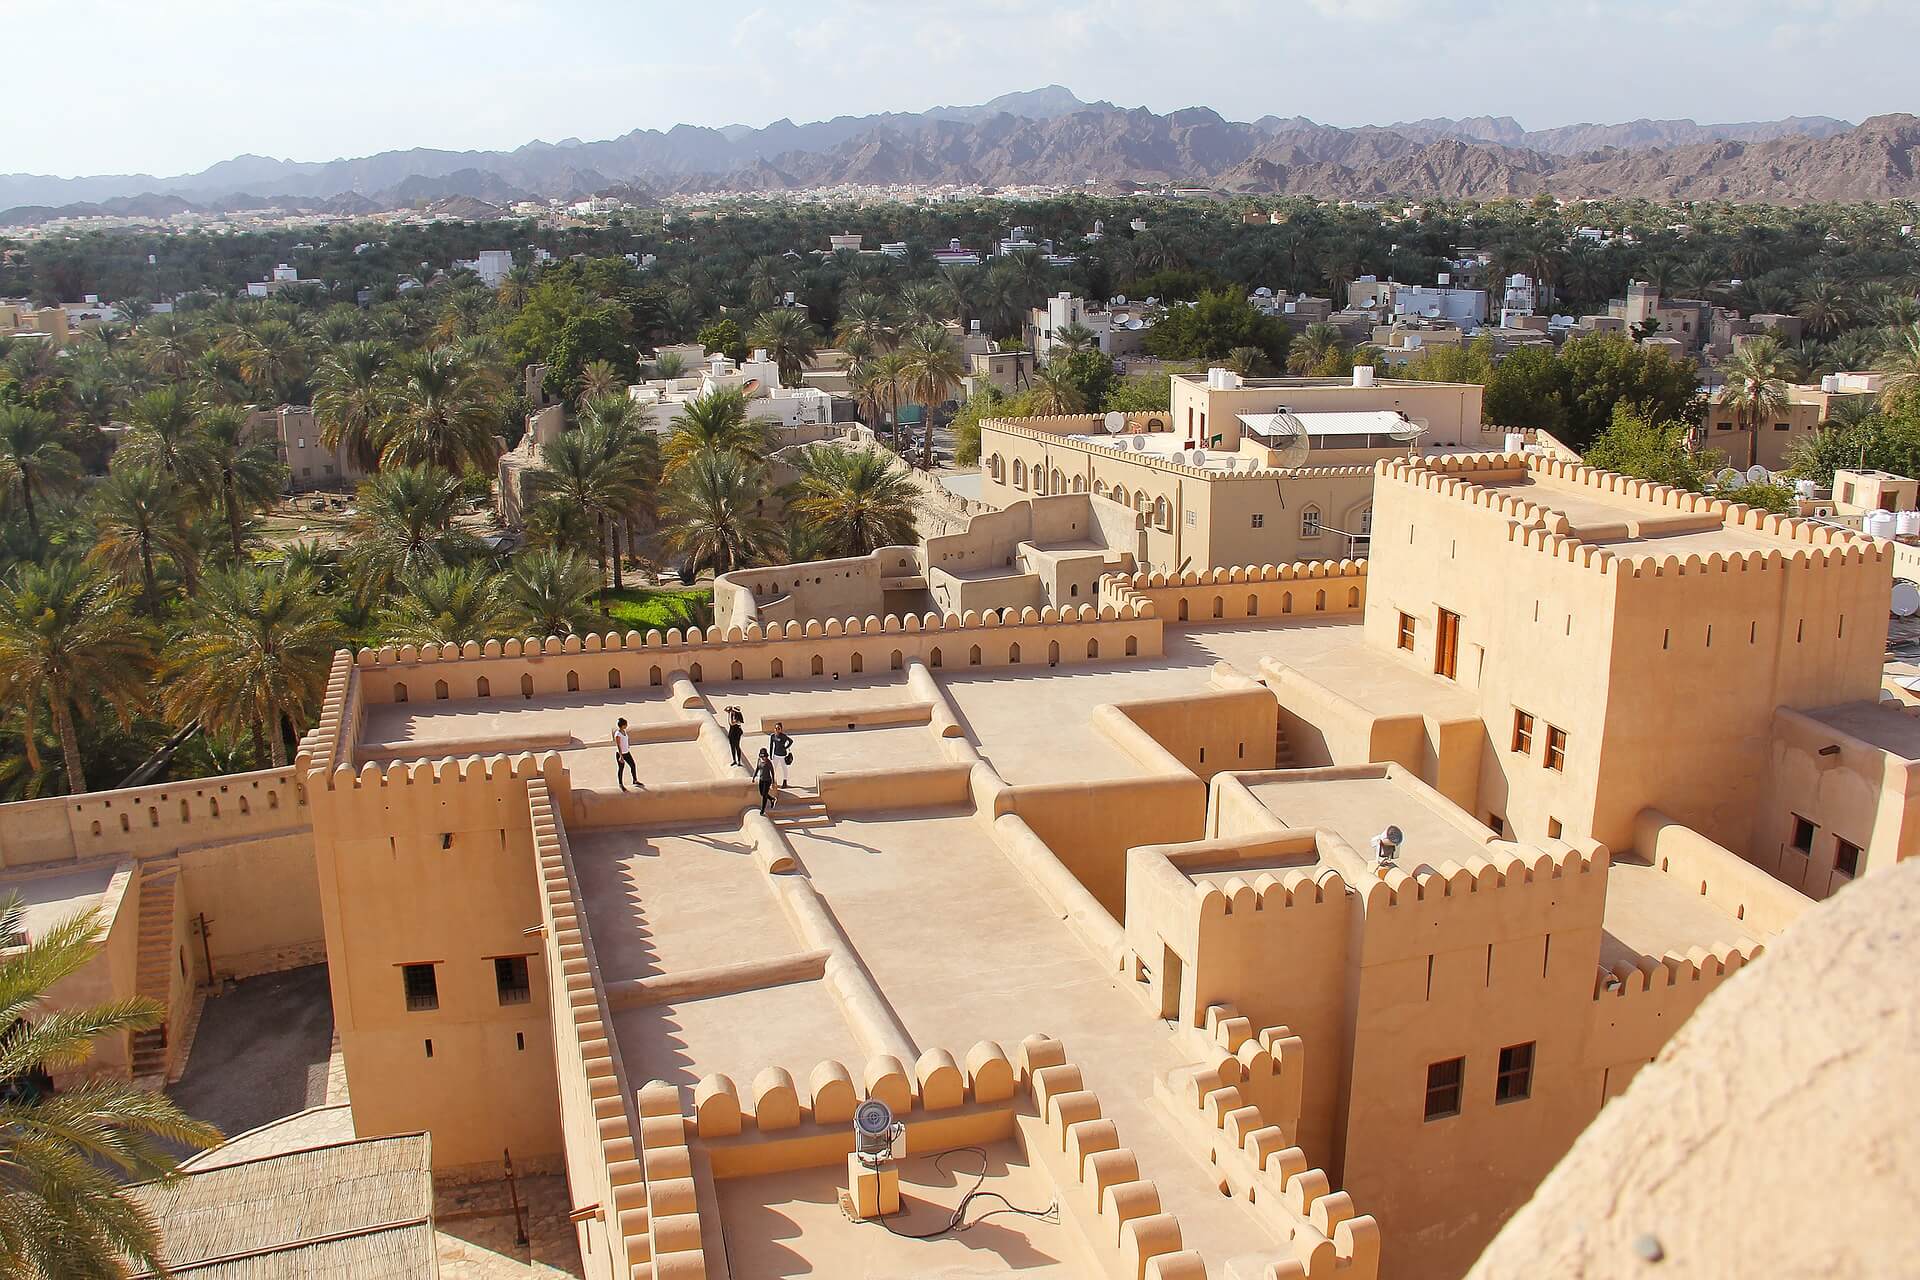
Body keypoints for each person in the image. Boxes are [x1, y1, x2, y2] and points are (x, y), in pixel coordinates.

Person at [613, 718, 639, 791]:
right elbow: (618, 745)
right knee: (621, 769)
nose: (627, 725)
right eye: (626, 724)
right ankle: (621, 784)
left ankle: (635, 780)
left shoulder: (624, 731)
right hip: (620, 754)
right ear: (622, 725)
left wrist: (627, 746)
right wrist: (621, 757)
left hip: (627, 752)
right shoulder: (618, 734)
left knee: (633, 765)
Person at [768, 721, 794, 789]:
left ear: (781, 729)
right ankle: (772, 781)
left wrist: (786, 747)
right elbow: (771, 745)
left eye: (778, 728)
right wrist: (770, 754)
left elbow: (791, 741)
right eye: (776, 728)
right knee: (773, 768)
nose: (777, 730)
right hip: (776, 755)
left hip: (783, 755)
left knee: (784, 769)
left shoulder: (783, 736)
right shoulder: (772, 736)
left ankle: (785, 782)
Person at [754, 747, 777, 813]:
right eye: (763, 756)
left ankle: (763, 809)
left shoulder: (768, 762)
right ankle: (772, 799)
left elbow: (772, 771)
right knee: (762, 793)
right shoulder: (759, 760)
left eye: (765, 756)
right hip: (761, 779)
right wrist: (754, 776)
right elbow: (757, 768)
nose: (764, 758)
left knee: (764, 795)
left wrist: (773, 781)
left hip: (767, 780)